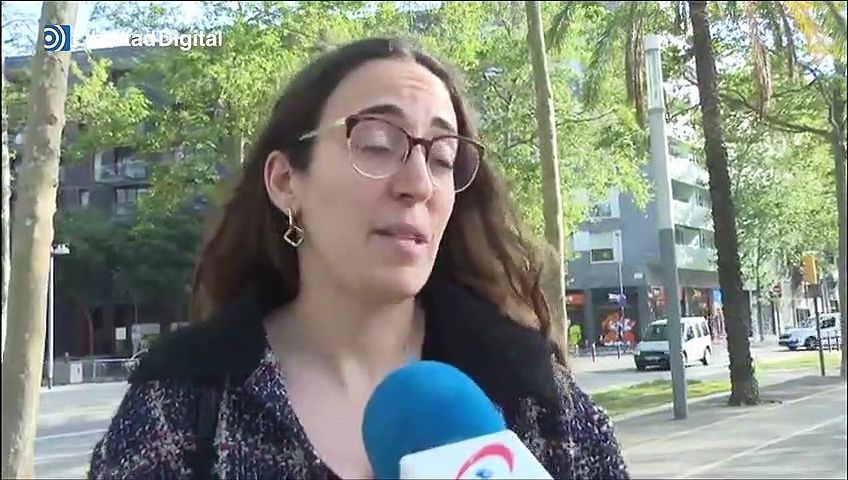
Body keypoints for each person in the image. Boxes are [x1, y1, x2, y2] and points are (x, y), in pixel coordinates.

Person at [88, 37, 630, 480]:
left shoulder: (535, 398)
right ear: (285, 181)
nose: (419, 184)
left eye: (442, 157)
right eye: (375, 144)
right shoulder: (181, 408)